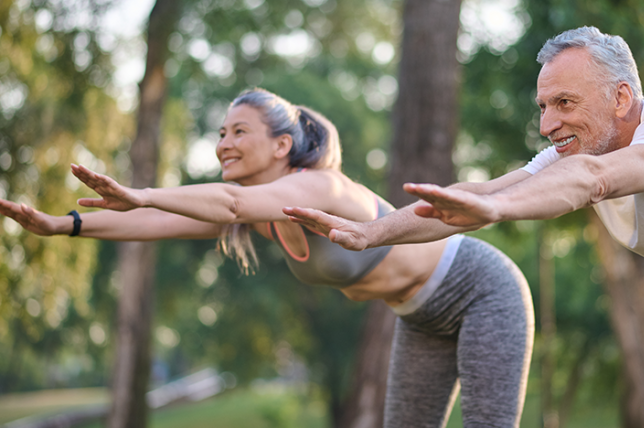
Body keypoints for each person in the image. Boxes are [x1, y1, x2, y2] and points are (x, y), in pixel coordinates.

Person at [285, 26, 644, 428]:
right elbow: (476, 196)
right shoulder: (576, 153)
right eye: (543, 107)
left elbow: (593, 181)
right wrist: (369, 234)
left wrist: (500, 210)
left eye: (564, 103)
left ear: (621, 97)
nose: (546, 125)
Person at [0, 88, 534, 428]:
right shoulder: (257, 211)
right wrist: (63, 225)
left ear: (281, 146)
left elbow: (209, 202)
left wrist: (141, 191)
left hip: (480, 289)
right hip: (419, 319)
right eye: (221, 134)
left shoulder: (323, 187)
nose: (223, 145)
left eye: (239, 132)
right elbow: (156, 224)